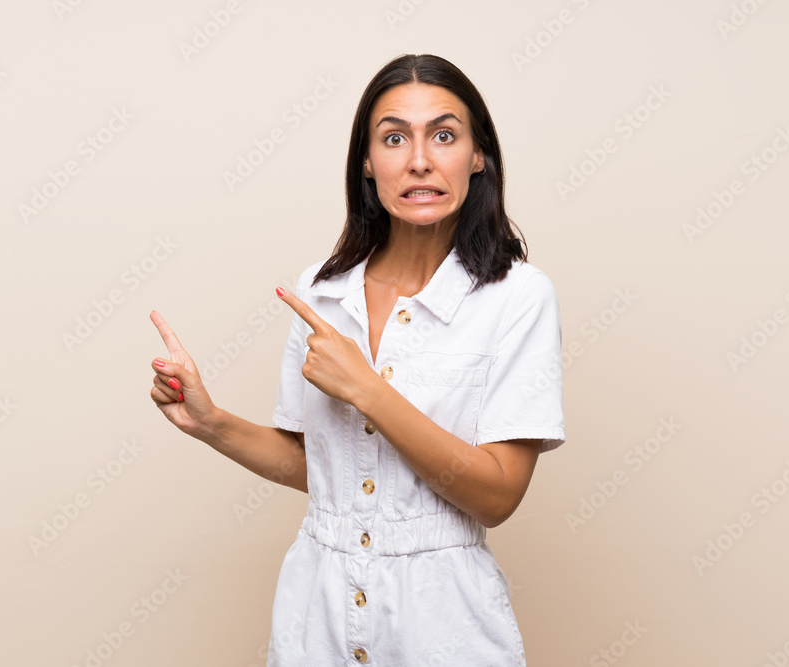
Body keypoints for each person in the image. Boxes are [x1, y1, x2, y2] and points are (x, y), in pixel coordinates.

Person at [149, 53, 565, 666]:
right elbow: (317, 468)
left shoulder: (517, 297)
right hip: (316, 615)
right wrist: (212, 423)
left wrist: (368, 390)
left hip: (442, 622)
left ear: (479, 156)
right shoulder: (321, 291)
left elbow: (497, 496)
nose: (419, 160)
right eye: (394, 138)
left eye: (444, 135)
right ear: (367, 163)